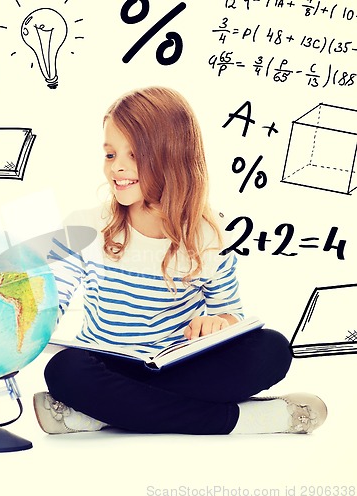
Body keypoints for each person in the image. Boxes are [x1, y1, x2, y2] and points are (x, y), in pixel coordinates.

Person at [33, 86, 327, 435]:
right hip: (108, 367)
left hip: (178, 367)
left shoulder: (207, 239)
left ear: (172, 156)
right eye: (110, 155)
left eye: (134, 154)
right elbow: (51, 302)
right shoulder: (84, 226)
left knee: (272, 349)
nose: (118, 168)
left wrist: (218, 323)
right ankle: (244, 421)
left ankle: (99, 415)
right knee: (64, 370)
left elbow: (230, 316)